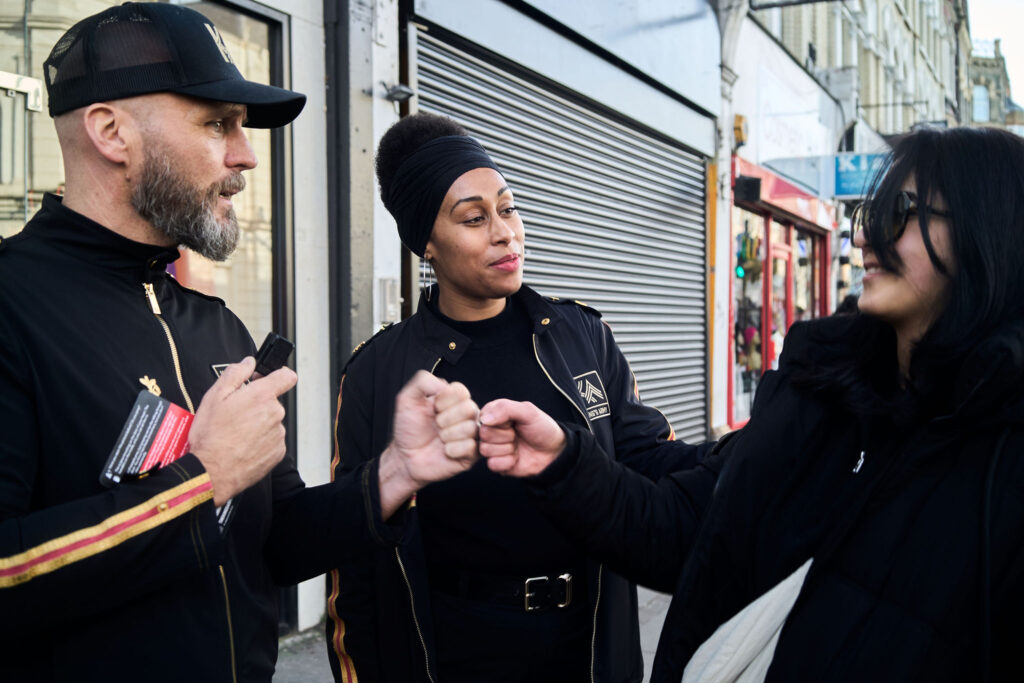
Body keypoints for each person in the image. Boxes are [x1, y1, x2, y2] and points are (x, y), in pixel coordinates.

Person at [0, 5, 480, 682]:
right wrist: (202, 482)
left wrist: (396, 473)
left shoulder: (216, 324)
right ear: (111, 131)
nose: (246, 154)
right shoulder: (13, 306)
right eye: (216, 123)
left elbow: (275, 540)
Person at [477, 126, 1024, 681]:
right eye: (871, 214)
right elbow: (686, 530)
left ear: (989, 236)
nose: (864, 238)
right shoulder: (820, 398)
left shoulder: (1004, 465)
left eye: (898, 214)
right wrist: (562, 464)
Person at [326, 112, 711, 683]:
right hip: (455, 655)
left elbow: (650, 459)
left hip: (590, 650)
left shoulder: (582, 337)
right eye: (474, 218)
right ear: (426, 243)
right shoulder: (379, 373)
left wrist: (750, 458)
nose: (505, 232)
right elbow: (352, 563)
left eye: (507, 209)